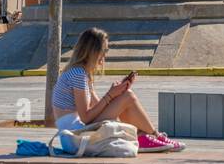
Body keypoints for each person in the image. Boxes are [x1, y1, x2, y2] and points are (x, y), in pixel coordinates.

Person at [51, 27, 184, 151]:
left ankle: (145, 137)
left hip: (75, 134)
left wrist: (116, 94)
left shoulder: (81, 73)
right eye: (104, 50)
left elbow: (97, 108)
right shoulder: (78, 74)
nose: (105, 56)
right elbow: (86, 117)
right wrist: (111, 95)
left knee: (125, 97)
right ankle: (155, 136)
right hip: (75, 136)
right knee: (128, 97)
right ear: (93, 51)